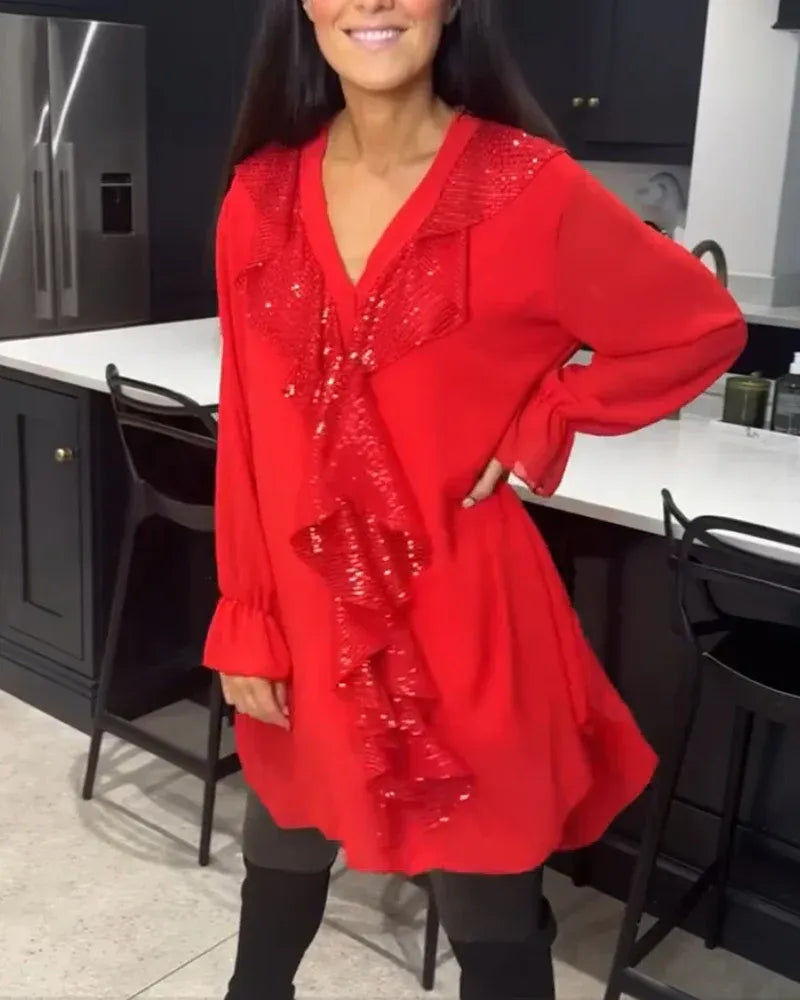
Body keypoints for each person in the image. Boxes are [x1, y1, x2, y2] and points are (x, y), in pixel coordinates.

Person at [204, 1, 747, 997]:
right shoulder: (258, 194)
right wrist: (244, 615)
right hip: (299, 614)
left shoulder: (527, 187)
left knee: (490, 915)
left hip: (466, 622)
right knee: (276, 866)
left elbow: (699, 326)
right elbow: (243, 425)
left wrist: (548, 411)